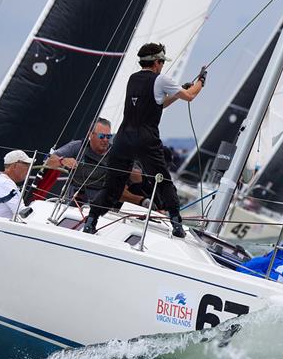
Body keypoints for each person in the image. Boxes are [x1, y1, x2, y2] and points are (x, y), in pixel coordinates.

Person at [83, 42, 206, 237]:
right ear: (157, 62)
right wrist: (201, 81)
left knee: (112, 185)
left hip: (123, 139)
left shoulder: (133, 79)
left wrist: (176, 92)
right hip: (145, 139)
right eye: (162, 62)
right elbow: (190, 96)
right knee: (164, 181)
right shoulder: (161, 80)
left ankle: (91, 221)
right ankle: (176, 225)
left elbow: (158, 104)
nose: (162, 66)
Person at [44, 118, 148, 206]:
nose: (106, 140)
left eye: (109, 136)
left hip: (102, 207)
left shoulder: (117, 153)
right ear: (91, 135)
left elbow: (138, 178)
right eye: (102, 136)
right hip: (73, 202)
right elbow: (48, 161)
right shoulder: (78, 147)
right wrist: (63, 160)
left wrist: (126, 168)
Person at [0, 150, 33, 218]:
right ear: (14, 166)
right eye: (26, 164)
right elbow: (22, 213)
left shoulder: (2, 182)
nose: (28, 169)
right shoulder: (5, 184)